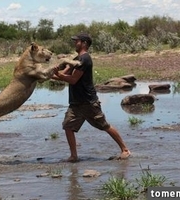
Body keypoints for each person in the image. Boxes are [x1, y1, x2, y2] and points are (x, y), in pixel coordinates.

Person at [52, 32, 131, 162]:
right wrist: (46, 75)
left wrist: (57, 75)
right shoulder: (76, 59)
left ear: (84, 43)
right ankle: (73, 156)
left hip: (88, 102)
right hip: (76, 103)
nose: (74, 43)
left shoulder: (85, 59)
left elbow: (73, 80)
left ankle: (125, 149)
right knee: (67, 126)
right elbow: (62, 74)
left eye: (77, 41)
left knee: (104, 126)